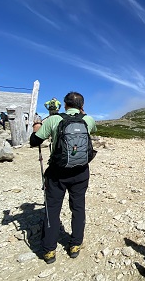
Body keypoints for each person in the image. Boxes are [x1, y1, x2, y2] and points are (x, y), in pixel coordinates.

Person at [30, 92, 96, 264]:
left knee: (52, 208)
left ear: (65, 105)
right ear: (82, 105)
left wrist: (37, 128)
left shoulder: (53, 120)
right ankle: (75, 245)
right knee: (78, 207)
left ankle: (49, 251)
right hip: (81, 171)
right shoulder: (88, 119)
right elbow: (92, 130)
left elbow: (34, 141)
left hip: (57, 172)